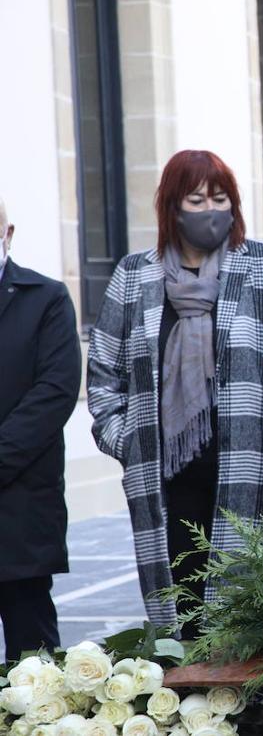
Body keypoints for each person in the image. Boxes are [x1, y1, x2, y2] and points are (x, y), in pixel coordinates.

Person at [87, 150, 263, 630]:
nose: (211, 209)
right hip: (165, 476)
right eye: (197, 198)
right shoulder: (134, 275)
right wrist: (128, 443)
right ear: (172, 206)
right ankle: (188, 698)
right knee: (180, 600)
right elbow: (104, 375)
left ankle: (251, 700)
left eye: (220, 197)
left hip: (252, 468)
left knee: (253, 597)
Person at [0, 197, 82, 661]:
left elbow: (55, 392)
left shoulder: (46, 299)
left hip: (20, 510)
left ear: (7, 235)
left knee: (34, 671)